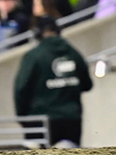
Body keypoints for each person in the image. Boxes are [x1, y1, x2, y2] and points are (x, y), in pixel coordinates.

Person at [13, 17, 93, 147]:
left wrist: (22, 116)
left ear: (38, 33)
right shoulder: (73, 54)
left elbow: (21, 88)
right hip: (71, 119)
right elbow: (87, 85)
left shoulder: (33, 56)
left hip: (39, 120)